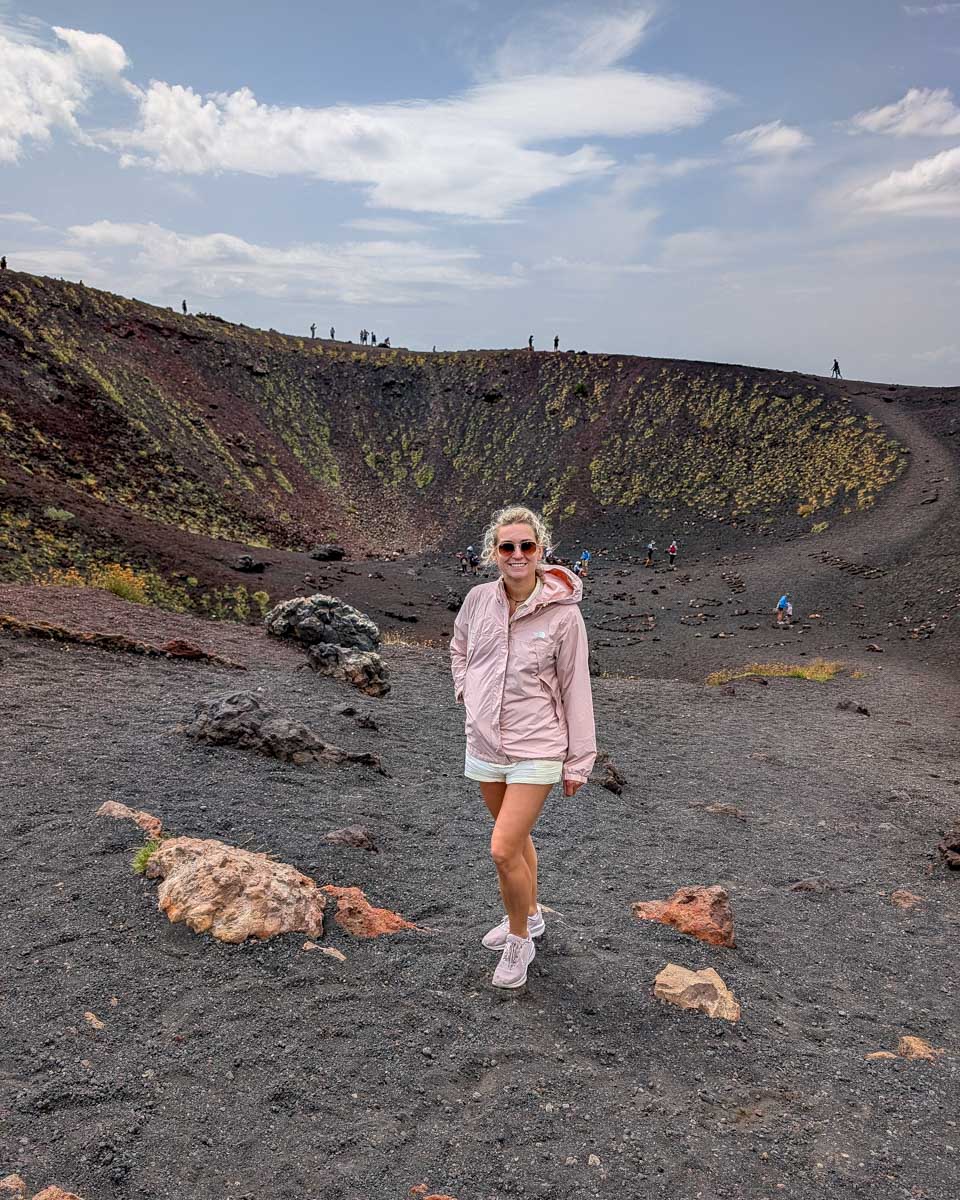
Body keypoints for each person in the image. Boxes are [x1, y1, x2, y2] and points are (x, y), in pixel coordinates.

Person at [450, 505, 596, 989]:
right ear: (495, 552)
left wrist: (579, 761)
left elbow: (577, 688)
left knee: (501, 848)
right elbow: (460, 648)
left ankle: (519, 942)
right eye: (507, 546)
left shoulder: (564, 615)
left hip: (538, 745)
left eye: (526, 546)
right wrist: (466, 693)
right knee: (515, 838)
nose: (517, 554)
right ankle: (530, 915)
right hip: (485, 742)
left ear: (541, 551)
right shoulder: (477, 599)